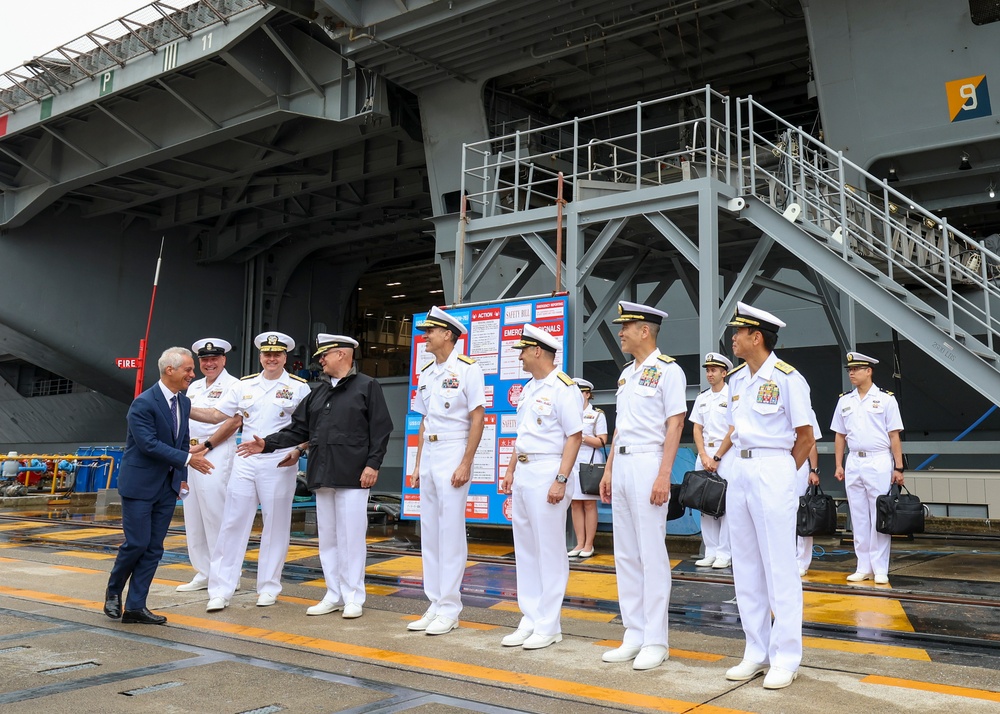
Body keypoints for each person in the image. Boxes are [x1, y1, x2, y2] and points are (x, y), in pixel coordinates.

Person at [238, 333, 393, 619]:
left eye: (325, 355)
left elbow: (381, 429)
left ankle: (353, 596)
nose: (320, 360)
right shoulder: (317, 393)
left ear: (343, 355)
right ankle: (333, 593)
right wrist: (267, 444)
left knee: (351, 537)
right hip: (323, 473)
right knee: (329, 539)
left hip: (354, 474)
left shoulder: (367, 386)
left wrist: (373, 464)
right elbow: (299, 429)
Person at [716, 302, 815, 690]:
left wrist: (784, 479)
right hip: (740, 469)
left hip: (775, 466)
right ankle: (756, 651)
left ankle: (786, 656)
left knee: (779, 566)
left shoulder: (789, 379)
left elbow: (805, 438)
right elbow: (732, 429)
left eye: (738, 332)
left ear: (756, 337)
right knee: (745, 565)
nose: (733, 338)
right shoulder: (737, 381)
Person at [599, 301, 687, 671]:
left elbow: (676, 424)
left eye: (627, 326)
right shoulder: (627, 373)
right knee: (626, 553)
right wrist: (607, 470)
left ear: (645, 331)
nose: (621, 332)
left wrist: (664, 474)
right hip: (622, 463)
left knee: (651, 553)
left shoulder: (668, 371)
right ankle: (633, 632)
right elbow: (620, 426)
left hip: (650, 461)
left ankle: (656, 639)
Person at [104, 347, 214, 625]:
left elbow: (182, 438)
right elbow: (148, 444)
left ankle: (136, 607)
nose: (193, 374)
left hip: (167, 485)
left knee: (154, 548)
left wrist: (182, 475)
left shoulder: (183, 402)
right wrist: (189, 459)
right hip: (140, 485)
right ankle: (114, 590)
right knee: (137, 543)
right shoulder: (143, 403)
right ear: (170, 370)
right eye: (188, 369)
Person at [205, 332, 312, 612]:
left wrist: (299, 450)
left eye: (277, 354)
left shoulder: (299, 387)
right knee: (232, 523)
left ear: (285, 357)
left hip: (278, 460)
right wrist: (181, 406)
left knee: (275, 526)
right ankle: (221, 589)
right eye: (267, 354)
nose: (271, 358)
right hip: (245, 459)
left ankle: (268, 587)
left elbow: (309, 428)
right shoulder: (245, 385)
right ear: (261, 356)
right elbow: (218, 415)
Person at [499, 324, 583, 650]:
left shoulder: (564, 387)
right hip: (524, 472)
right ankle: (530, 618)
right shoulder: (528, 388)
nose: (519, 355)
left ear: (538, 351)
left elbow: (574, 436)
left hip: (549, 470)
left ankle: (549, 624)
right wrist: (509, 471)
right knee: (527, 551)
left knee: (549, 551)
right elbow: (523, 436)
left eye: (523, 350)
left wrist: (561, 479)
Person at [408, 307, 486, 635]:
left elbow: (478, 418)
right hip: (431, 453)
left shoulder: (468, 369)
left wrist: (466, 462)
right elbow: (424, 421)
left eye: (431, 332)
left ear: (448, 335)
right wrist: (416, 464)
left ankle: (451, 607)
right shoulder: (426, 373)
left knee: (451, 531)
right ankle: (435, 601)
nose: (425, 336)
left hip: (454, 448)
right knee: (430, 531)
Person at [830, 352, 904, 585]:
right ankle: (863, 565)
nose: (851, 373)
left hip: (878, 460)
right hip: (854, 461)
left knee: (879, 515)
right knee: (859, 515)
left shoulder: (886, 399)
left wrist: (899, 467)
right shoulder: (845, 401)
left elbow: (894, 436)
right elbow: (840, 435)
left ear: (869, 371)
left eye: (856, 369)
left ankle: (880, 567)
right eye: (850, 369)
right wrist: (839, 464)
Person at [176, 338, 242, 593]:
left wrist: (207, 446)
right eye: (204, 360)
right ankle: (204, 571)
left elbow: (230, 421)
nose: (209, 363)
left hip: (215, 453)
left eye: (214, 358)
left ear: (224, 359)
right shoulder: (194, 386)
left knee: (217, 515)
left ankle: (227, 575)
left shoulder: (234, 386)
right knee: (193, 515)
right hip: (190, 453)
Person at [689, 352, 734, 569]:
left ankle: (724, 553)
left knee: (725, 504)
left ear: (724, 373)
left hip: (725, 454)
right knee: (704, 504)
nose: (709, 374)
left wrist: (716, 457)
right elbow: (697, 428)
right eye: (707, 370)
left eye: (714, 370)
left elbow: (733, 430)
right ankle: (710, 550)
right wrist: (704, 455)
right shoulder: (702, 398)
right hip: (704, 454)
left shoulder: (732, 396)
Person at [567, 378, 607, 559]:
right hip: (572, 461)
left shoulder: (597, 414)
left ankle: (589, 544)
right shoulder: (568, 413)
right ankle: (579, 543)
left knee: (589, 503)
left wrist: (580, 437)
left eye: (581, 393)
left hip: (589, 461)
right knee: (575, 503)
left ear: (588, 394)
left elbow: (602, 440)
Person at [796, 411, 821, 577]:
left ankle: (802, 561)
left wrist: (813, 469)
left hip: (799, 465)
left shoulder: (805, 410)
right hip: (775, 462)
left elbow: (810, 441)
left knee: (802, 513)